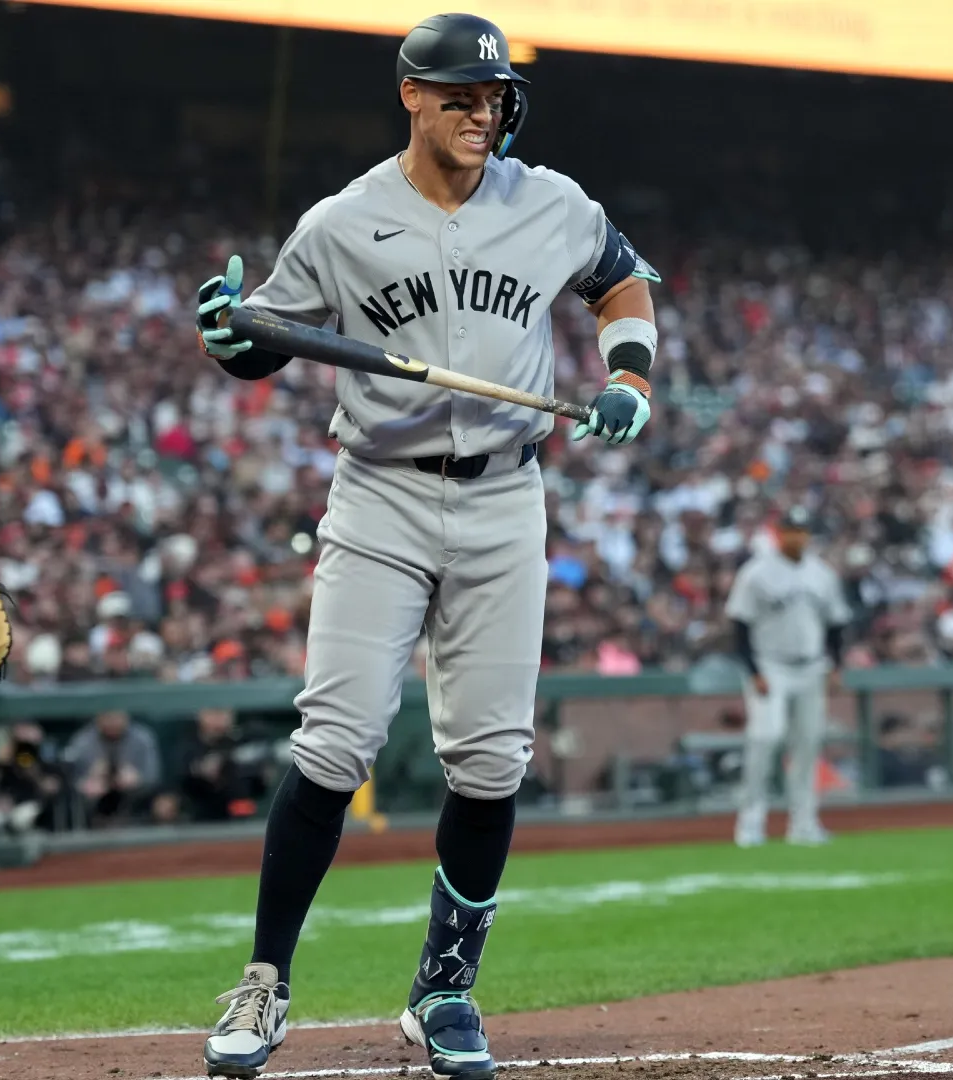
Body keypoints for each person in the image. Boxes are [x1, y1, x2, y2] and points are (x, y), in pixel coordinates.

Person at [190, 13, 660, 1080]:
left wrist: (627, 376)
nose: (480, 114)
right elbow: (263, 338)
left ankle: (445, 990)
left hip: (506, 497)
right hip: (382, 497)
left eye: (492, 99)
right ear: (411, 95)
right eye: (460, 97)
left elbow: (620, 280)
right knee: (334, 743)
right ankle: (264, 984)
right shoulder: (346, 220)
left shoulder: (550, 202)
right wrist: (230, 334)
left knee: (493, 760)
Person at [723, 506, 852, 847]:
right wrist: (753, 672)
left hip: (812, 666)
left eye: (801, 530)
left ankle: (804, 823)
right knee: (766, 738)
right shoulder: (756, 573)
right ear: (778, 533)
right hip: (771, 665)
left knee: (808, 743)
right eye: (789, 529)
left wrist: (836, 665)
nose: (796, 536)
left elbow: (836, 624)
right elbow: (739, 626)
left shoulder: (822, 573)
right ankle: (751, 822)